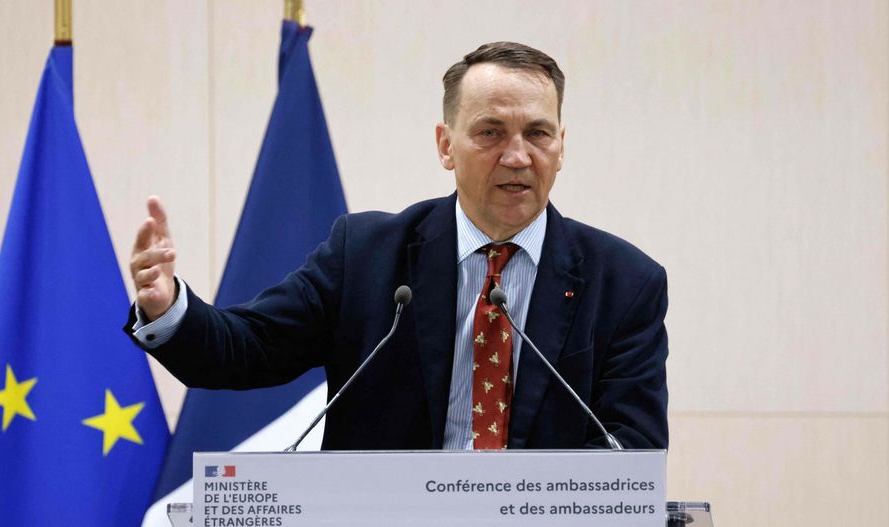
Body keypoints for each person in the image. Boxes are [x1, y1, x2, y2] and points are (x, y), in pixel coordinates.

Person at [126, 42, 669, 451]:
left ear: (561, 146)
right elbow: (242, 351)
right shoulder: (365, 256)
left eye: (538, 133)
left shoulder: (624, 283)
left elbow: (634, 452)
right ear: (445, 145)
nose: (517, 155)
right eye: (490, 132)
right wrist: (168, 306)